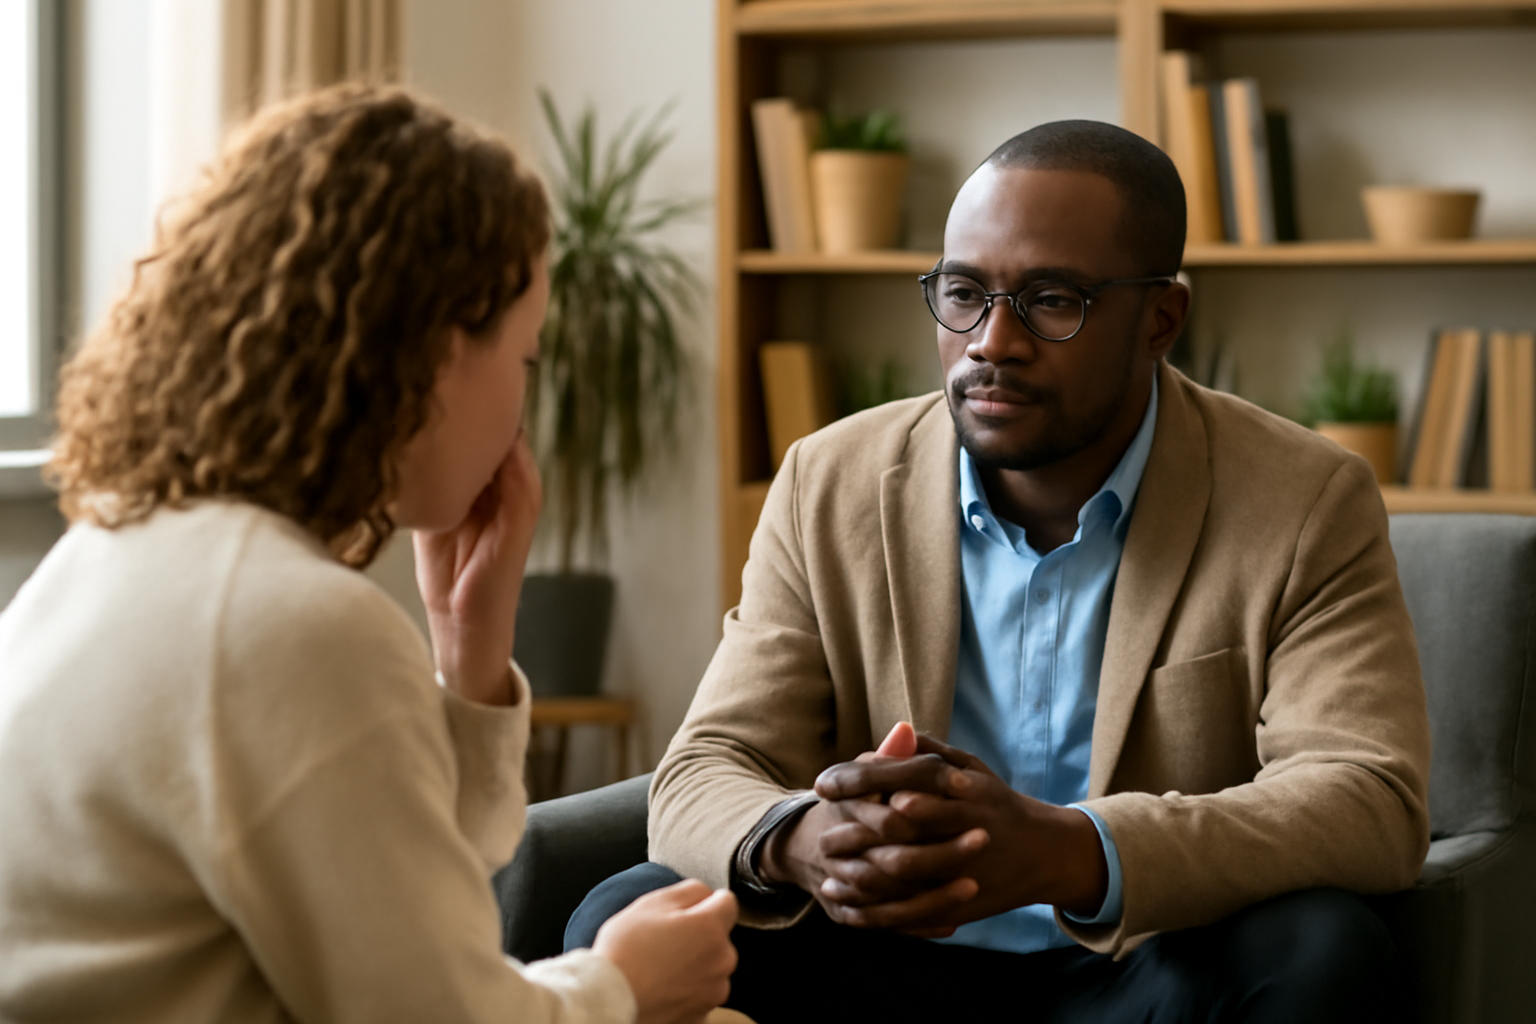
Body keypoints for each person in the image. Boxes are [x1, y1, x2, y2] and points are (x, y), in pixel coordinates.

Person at [568, 121, 1431, 1022]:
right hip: (880, 964)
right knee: (625, 916)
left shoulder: (1303, 499)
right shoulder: (828, 481)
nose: (991, 342)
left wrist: (1070, 851)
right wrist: (807, 840)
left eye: (1052, 301)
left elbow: (1367, 796)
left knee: (1324, 948)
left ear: (1161, 321)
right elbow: (706, 765)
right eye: (964, 293)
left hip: (1140, 970)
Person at [0, 84, 738, 1024]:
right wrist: (623, 983)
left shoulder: (118, 552)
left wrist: (469, 658)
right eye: (525, 359)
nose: (523, 407)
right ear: (435, 353)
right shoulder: (291, 625)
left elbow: (397, 904)